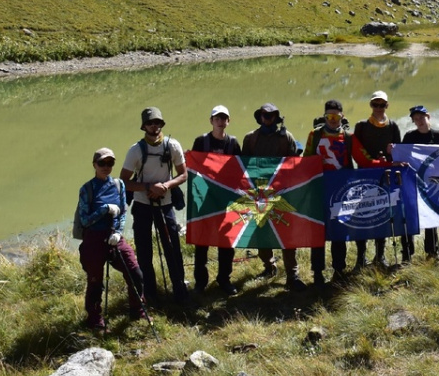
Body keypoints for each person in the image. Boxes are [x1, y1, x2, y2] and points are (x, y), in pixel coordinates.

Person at [120, 107, 189, 303]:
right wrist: (149, 186)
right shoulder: (135, 150)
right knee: (144, 250)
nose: (154, 126)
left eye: (158, 122)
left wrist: (165, 186)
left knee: (172, 248)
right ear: (144, 126)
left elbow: (183, 174)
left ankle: (180, 289)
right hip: (142, 205)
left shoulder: (172, 146)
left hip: (165, 205)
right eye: (150, 123)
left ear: (162, 124)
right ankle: (149, 292)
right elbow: (124, 181)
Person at [77, 147, 144, 329]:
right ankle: (94, 319)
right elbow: (84, 220)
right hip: (93, 239)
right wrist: (104, 209)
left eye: (110, 163)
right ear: (94, 165)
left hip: (114, 236)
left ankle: (137, 310)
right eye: (102, 163)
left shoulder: (119, 185)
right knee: (95, 281)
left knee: (135, 272)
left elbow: (122, 212)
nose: (106, 167)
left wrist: (118, 232)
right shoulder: (87, 189)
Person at [242, 103, 306, 291]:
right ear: (260, 117)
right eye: (264, 114)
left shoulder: (286, 137)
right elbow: (242, 166)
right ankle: (269, 266)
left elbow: (295, 164)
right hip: (260, 194)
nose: (268, 118)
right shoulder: (250, 138)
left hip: (282, 193)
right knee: (262, 235)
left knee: (287, 236)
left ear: (275, 117)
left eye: (271, 115)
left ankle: (292, 274)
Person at [191, 105, 241, 296]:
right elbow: (193, 170)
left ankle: (224, 279)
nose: (220, 121)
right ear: (211, 121)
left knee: (227, 242)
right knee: (201, 242)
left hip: (226, 200)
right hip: (204, 199)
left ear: (228, 121)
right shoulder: (201, 142)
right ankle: (200, 282)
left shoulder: (233, 143)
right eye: (217, 118)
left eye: (224, 118)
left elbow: (240, 171)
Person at [303, 99, 353, 287]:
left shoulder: (348, 137)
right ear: (324, 116)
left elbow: (360, 159)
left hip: (340, 192)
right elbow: (305, 160)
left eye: (336, 116)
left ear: (342, 116)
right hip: (318, 191)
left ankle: (339, 270)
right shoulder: (314, 135)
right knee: (318, 231)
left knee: (339, 231)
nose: (332, 120)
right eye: (329, 116)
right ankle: (317, 272)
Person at [352, 90, 402, 268]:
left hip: (385, 177)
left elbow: (398, 153)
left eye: (382, 104)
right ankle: (361, 257)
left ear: (387, 106)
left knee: (382, 215)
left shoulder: (393, 126)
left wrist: (390, 155)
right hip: (364, 177)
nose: (379, 108)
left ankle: (380, 256)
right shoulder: (361, 126)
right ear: (371, 105)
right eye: (375, 104)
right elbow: (356, 151)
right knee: (362, 216)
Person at [401, 105, 439, 260]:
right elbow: (402, 157)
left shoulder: (438, 136)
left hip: (432, 183)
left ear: (428, 117)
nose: (419, 121)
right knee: (409, 216)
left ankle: (432, 252)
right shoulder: (409, 137)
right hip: (413, 182)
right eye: (415, 118)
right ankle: (407, 253)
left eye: (421, 117)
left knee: (431, 217)